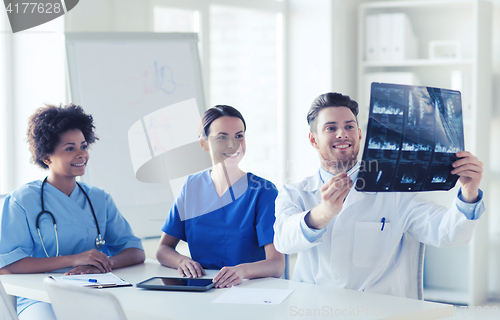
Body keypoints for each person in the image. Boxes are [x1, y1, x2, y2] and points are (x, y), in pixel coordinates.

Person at [273, 92, 485, 299]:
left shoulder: (393, 191)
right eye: (331, 128)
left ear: (359, 134)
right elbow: (283, 241)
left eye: (349, 126)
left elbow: (447, 233)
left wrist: (469, 193)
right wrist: (323, 213)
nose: (342, 134)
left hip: (378, 311)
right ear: (313, 140)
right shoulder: (294, 193)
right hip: (315, 309)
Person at [0, 104, 145, 319]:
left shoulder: (99, 198)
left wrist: (101, 265)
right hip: (40, 295)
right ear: (47, 157)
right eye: (70, 148)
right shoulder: (22, 200)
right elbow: (8, 266)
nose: (81, 154)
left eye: (83, 146)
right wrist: (74, 259)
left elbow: (135, 251)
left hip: (93, 292)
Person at [157, 105, 285, 288]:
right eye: (222, 137)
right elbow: (163, 249)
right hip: (202, 288)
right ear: (204, 144)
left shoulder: (263, 191)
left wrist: (242, 271)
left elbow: (277, 264)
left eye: (239, 136)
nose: (233, 145)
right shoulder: (192, 187)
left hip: (249, 290)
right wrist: (182, 262)